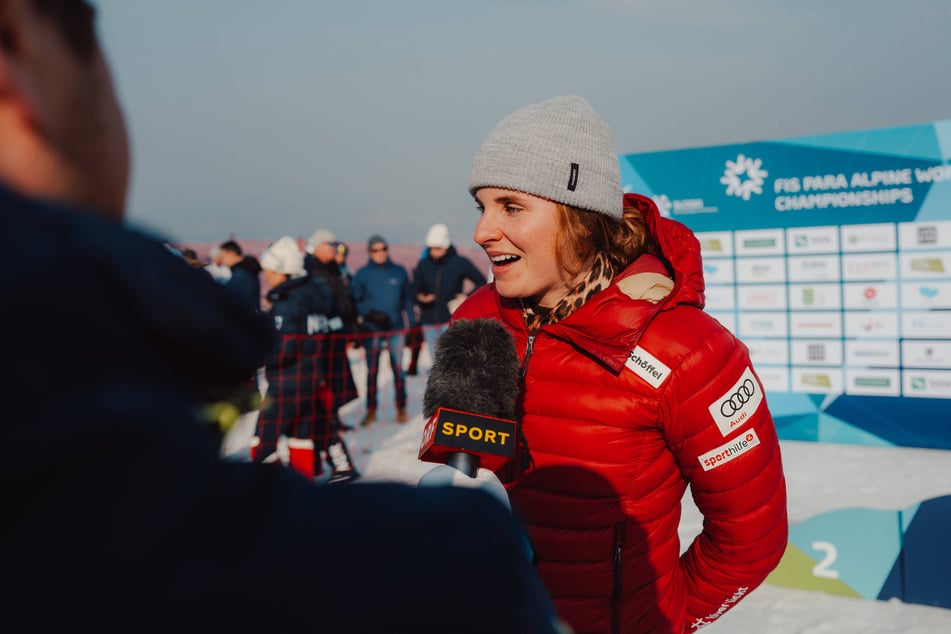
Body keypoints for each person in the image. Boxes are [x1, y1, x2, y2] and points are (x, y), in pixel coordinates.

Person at [0, 3, 562, 631]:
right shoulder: (452, 570)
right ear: (17, 48)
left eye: (510, 207)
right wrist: (471, 550)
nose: (484, 232)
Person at [455, 95, 788, 633]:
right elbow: (460, 465)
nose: (482, 231)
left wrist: (659, 620)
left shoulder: (687, 351)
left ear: (579, 218)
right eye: (482, 206)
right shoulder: (476, 319)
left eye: (511, 207)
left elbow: (752, 540)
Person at [253, 236, 359, 484]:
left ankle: (263, 488)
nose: (266, 275)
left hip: (287, 382)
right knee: (305, 432)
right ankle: (330, 472)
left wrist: (259, 354)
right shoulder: (313, 296)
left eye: (269, 270)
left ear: (281, 270)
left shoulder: (287, 303)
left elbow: (284, 347)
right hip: (310, 375)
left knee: (263, 438)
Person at [351, 234, 415, 425]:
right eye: (376, 250)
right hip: (373, 329)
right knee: (372, 370)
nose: (380, 253)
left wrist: (411, 327)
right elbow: (355, 300)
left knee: (398, 369)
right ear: (369, 252)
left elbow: (408, 301)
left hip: (396, 328)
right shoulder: (362, 274)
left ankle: (401, 407)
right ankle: (371, 410)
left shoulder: (399, 272)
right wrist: (369, 314)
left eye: (383, 249)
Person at [304, 228, 360, 431]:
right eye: (331, 246)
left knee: (336, 379)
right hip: (322, 335)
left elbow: (343, 300)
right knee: (324, 381)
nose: (335, 250)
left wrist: (352, 328)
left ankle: (333, 418)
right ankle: (324, 422)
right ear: (319, 246)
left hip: (337, 332)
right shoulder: (310, 269)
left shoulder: (333, 269)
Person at [412, 222, 487, 364]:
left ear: (445, 246)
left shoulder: (459, 263)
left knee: (453, 360)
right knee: (436, 362)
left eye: (438, 248)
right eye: (431, 248)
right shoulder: (423, 265)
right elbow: (414, 289)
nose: (434, 252)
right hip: (428, 321)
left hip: (451, 319)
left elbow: (481, 280)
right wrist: (421, 297)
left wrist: (466, 297)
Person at [220, 238, 262, 311]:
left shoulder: (240, 274)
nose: (222, 260)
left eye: (223, 256)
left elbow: (231, 299)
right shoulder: (248, 269)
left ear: (231, 254)